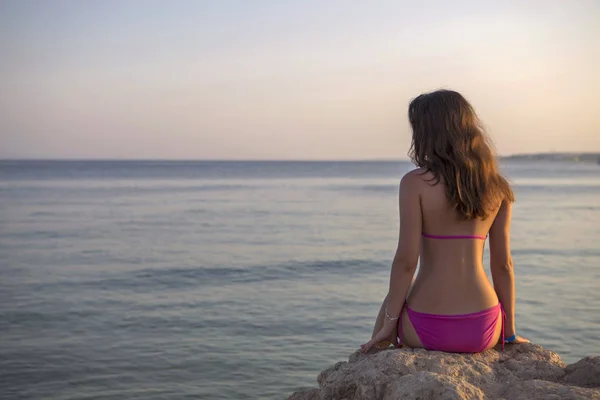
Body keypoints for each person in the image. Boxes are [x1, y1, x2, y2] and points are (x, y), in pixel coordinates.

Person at [361, 89, 529, 353]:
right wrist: (508, 333)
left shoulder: (415, 183)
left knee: (390, 302)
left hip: (427, 326)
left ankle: (378, 350)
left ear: (428, 133)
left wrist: (388, 323)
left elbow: (406, 261)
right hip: (482, 328)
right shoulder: (498, 188)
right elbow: (503, 266)